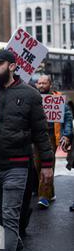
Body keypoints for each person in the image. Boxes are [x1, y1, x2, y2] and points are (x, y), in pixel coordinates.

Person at [0, 49, 54, 251]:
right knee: (3, 218)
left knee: (11, 217)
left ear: (12, 66)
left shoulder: (30, 95)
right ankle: (18, 250)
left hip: (17, 165)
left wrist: (48, 164)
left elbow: (41, 132)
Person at [34, 74, 73, 208]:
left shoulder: (58, 99)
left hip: (51, 136)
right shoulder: (33, 97)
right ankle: (50, 192)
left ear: (50, 85)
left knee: (47, 164)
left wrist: (67, 135)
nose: (41, 86)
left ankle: (44, 197)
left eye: (44, 83)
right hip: (35, 136)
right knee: (37, 165)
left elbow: (67, 118)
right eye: (39, 83)